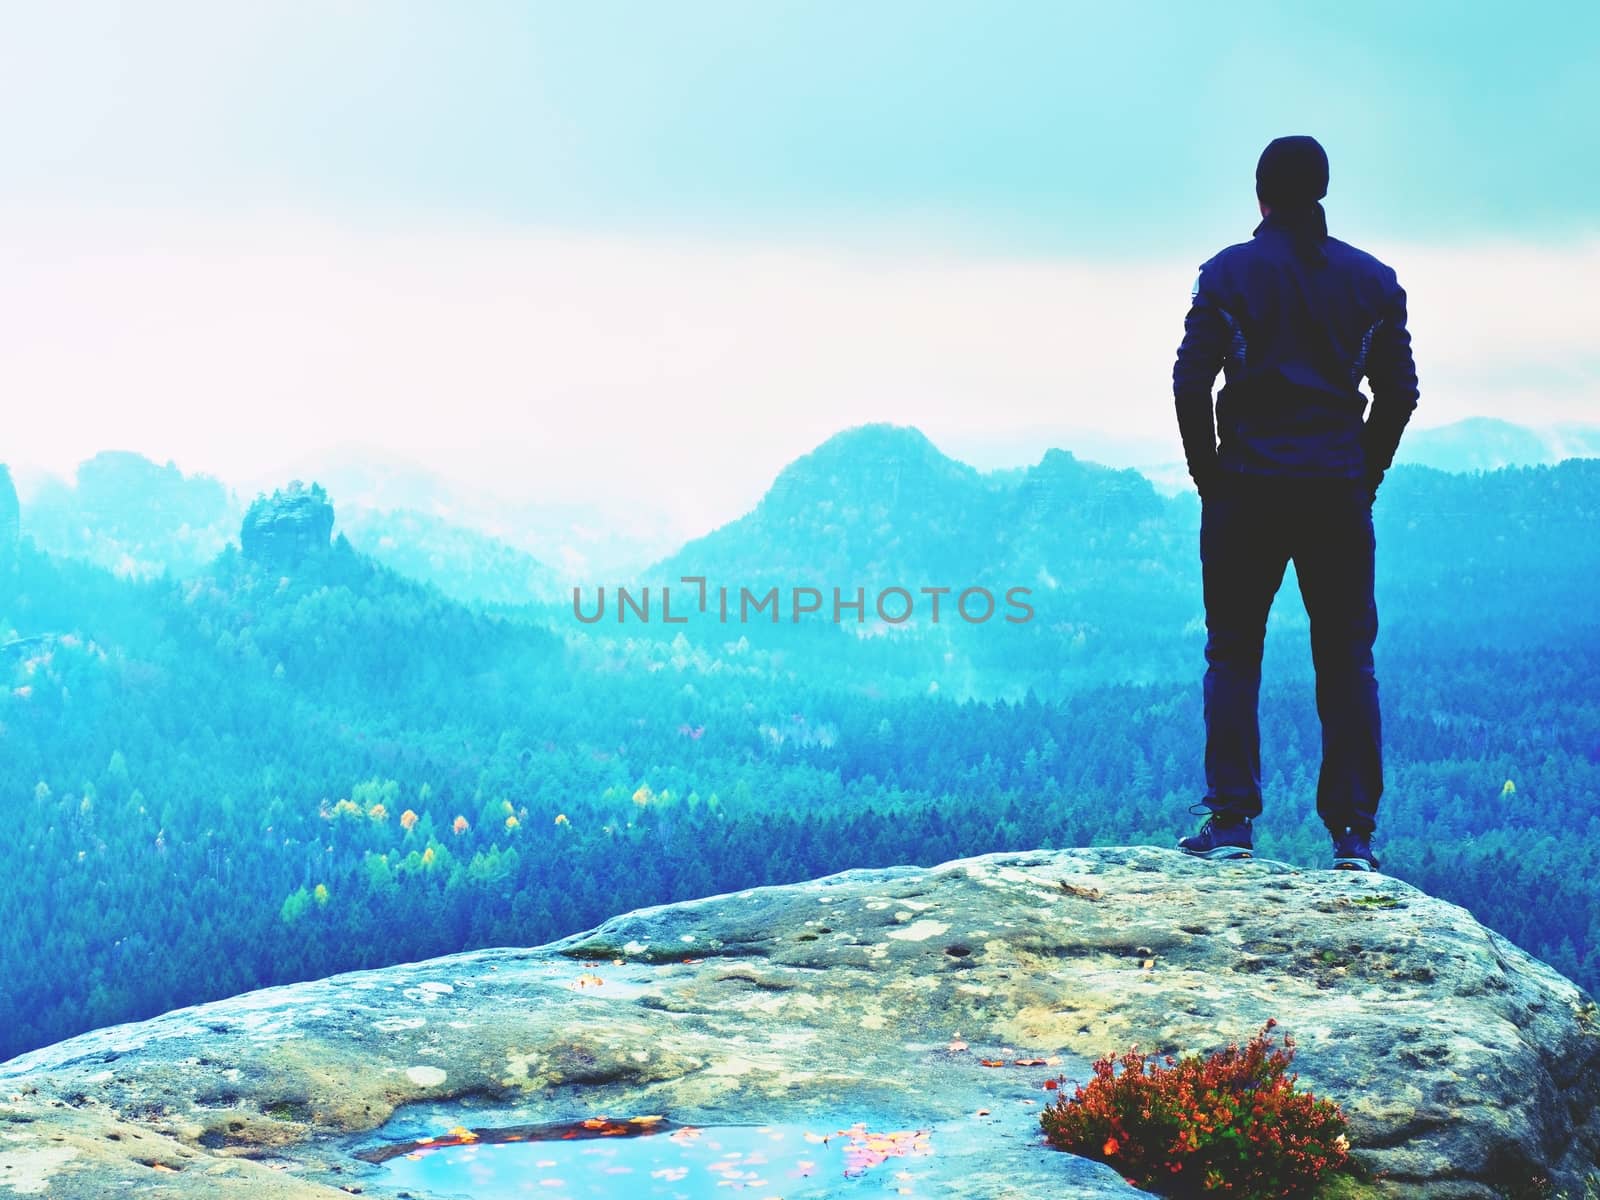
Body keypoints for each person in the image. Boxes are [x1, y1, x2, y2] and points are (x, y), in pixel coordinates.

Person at [1171, 135, 1419, 872]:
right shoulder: (1373, 283)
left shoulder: (1227, 275)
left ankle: (1232, 821)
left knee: (1234, 650)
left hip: (1246, 488)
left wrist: (1209, 477)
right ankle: (1353, 836)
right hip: (1336, 495)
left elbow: (1190, 383)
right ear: (1323, 192)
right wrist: (1361, 474)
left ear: (1260, 197)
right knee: (1346, 658)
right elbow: (1399, 393)